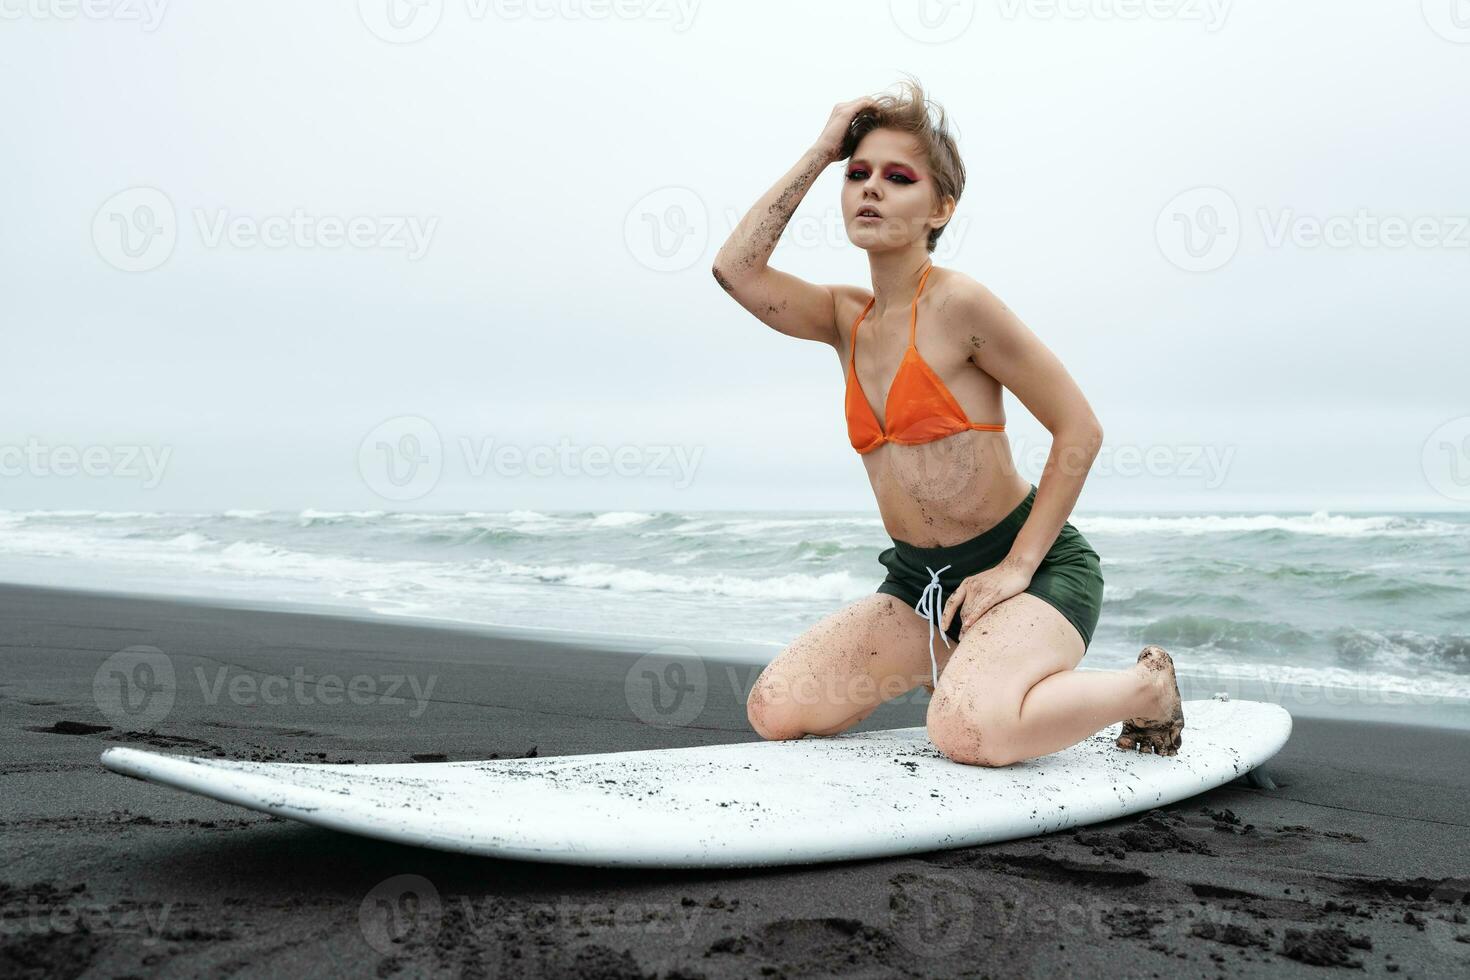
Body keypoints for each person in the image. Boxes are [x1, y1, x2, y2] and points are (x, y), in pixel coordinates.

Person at [712, 78, 1183, 765]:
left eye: (898, 177)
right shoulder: (844, 319)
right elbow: (736, 269)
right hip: (922, 587)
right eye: (859, 174)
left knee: (965, 732)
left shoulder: (962, 307)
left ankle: (1146, 689)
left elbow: (1080, 430)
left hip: (1036, 572)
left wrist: (1018, 567)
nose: (870, 188)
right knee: (774, 709)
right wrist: (821, 150)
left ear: (941, 206)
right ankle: (973, 667)